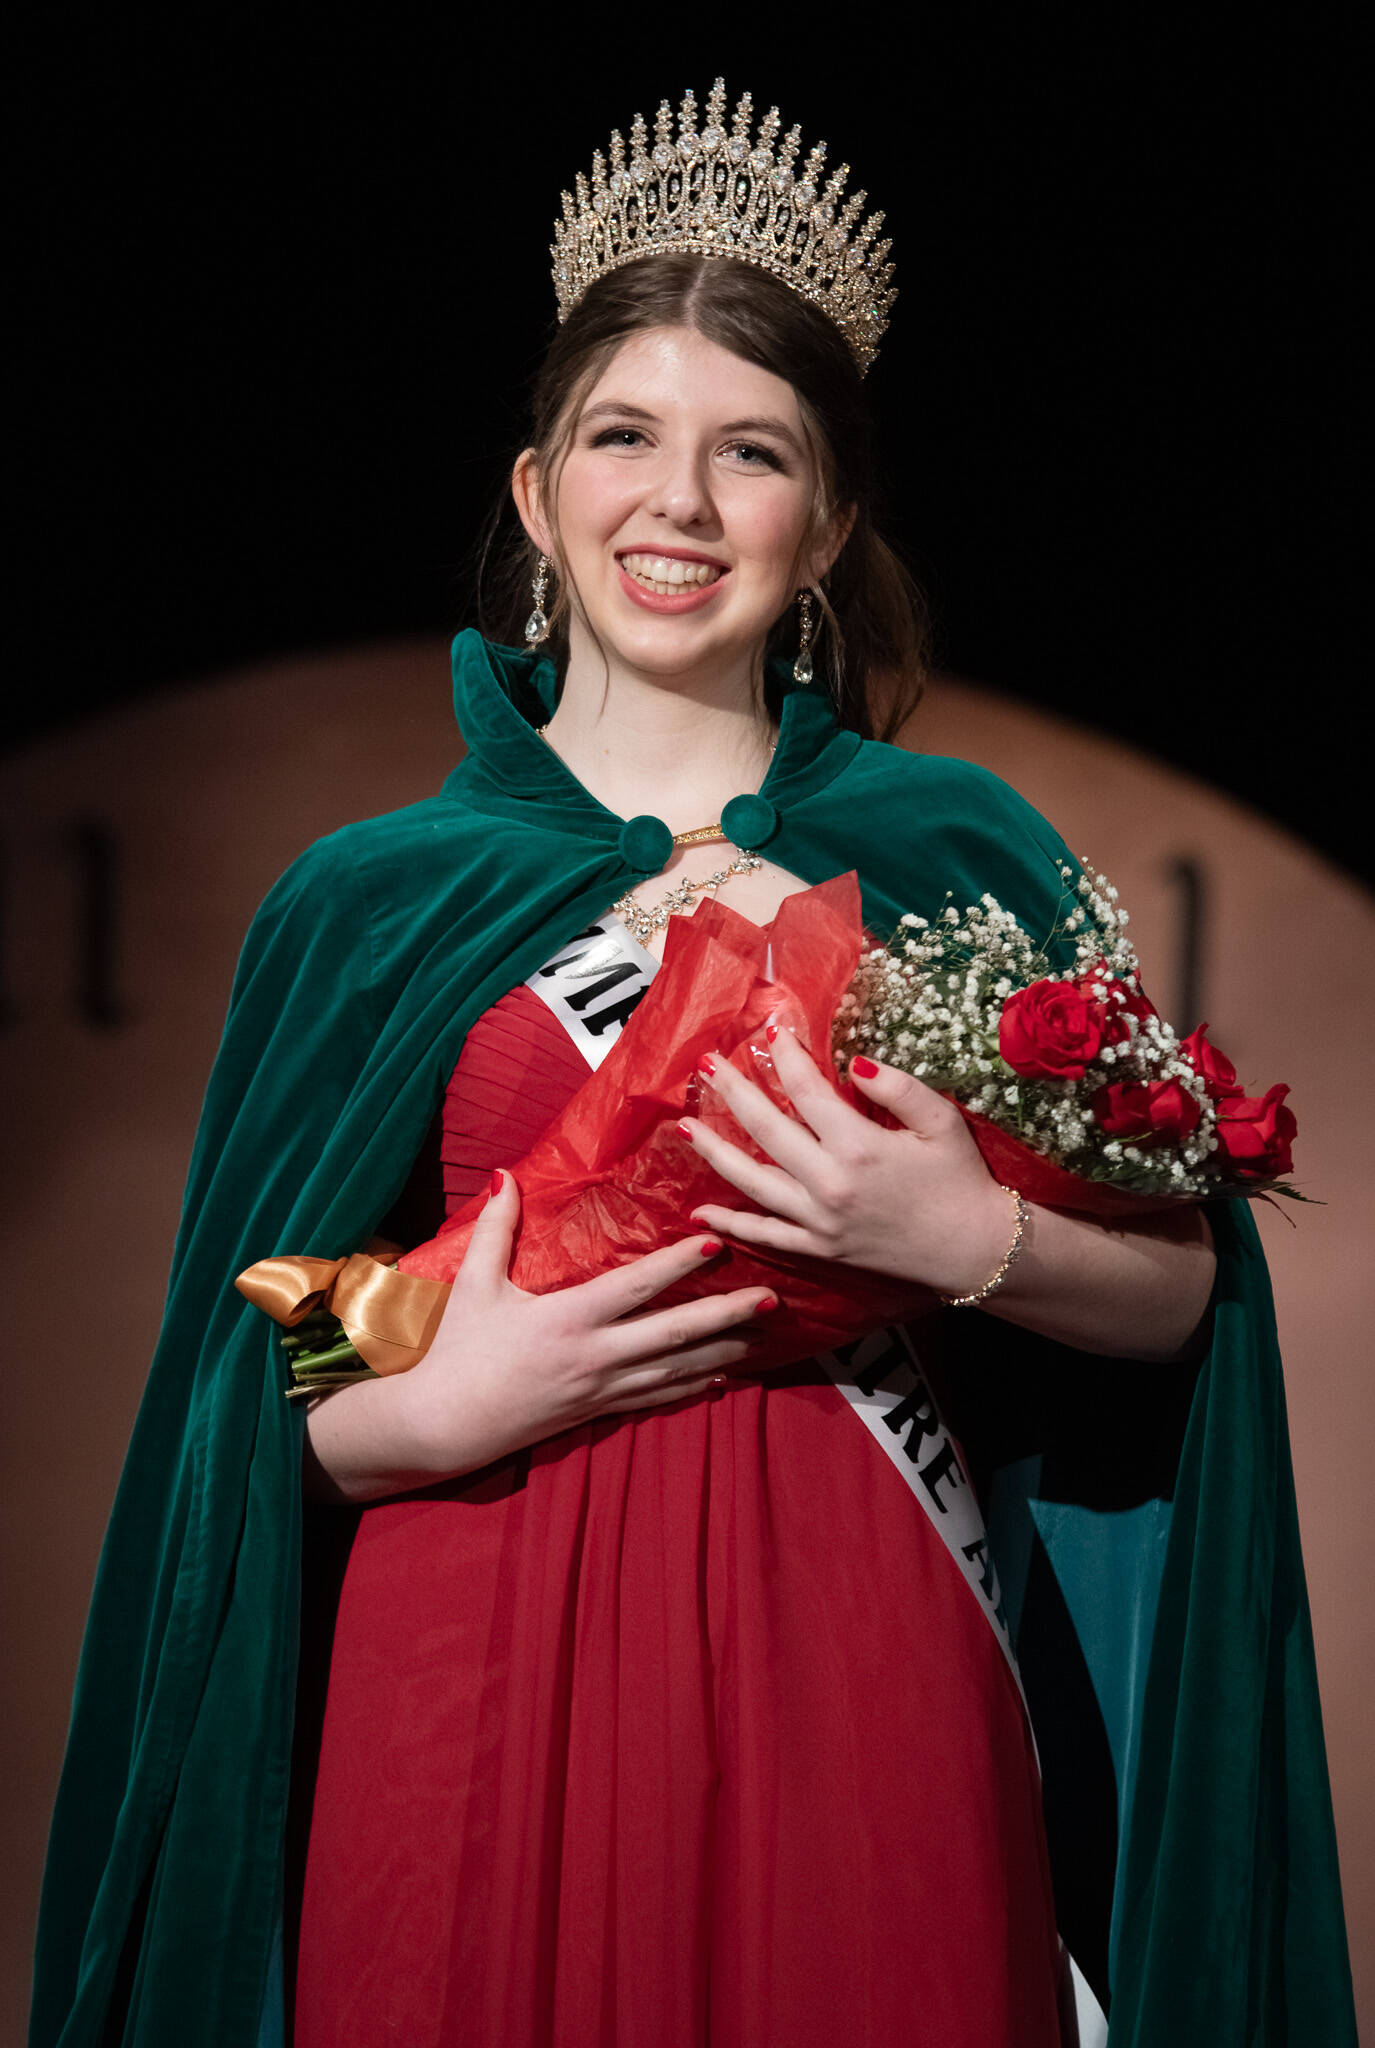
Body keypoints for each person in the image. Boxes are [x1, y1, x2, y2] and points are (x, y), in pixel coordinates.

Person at [31, 81, 1355, 2048]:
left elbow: (1180, 1303)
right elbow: (238, 1407)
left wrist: (965, 1232)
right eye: (622, 438)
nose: (678, 499)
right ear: (531, 488)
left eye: (751, 454)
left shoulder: (955, 851)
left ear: (821, 522)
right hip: (460, 1628)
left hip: (860, 1628)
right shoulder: (366, 901)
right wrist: (433, 1407)